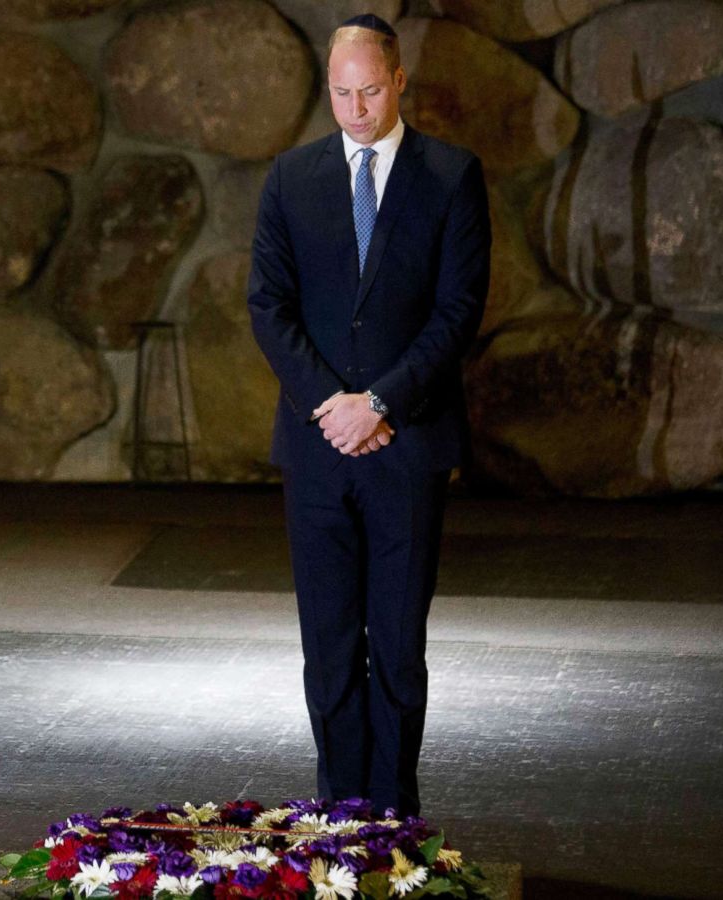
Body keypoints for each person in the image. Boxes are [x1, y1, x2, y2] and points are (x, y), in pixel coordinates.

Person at [246, 13, 490, 816]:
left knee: (397, 645)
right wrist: (332, 406)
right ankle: (340, 815)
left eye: (371, 90)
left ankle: (393, 817)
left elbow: (457, 312)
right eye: (342, 93)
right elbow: (269, 307)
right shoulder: (290, 177)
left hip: (408, 444)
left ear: (400, 80)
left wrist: (379, 403)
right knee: (327, 645)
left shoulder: (451, 176)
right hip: (317, 449)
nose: (356, 108)